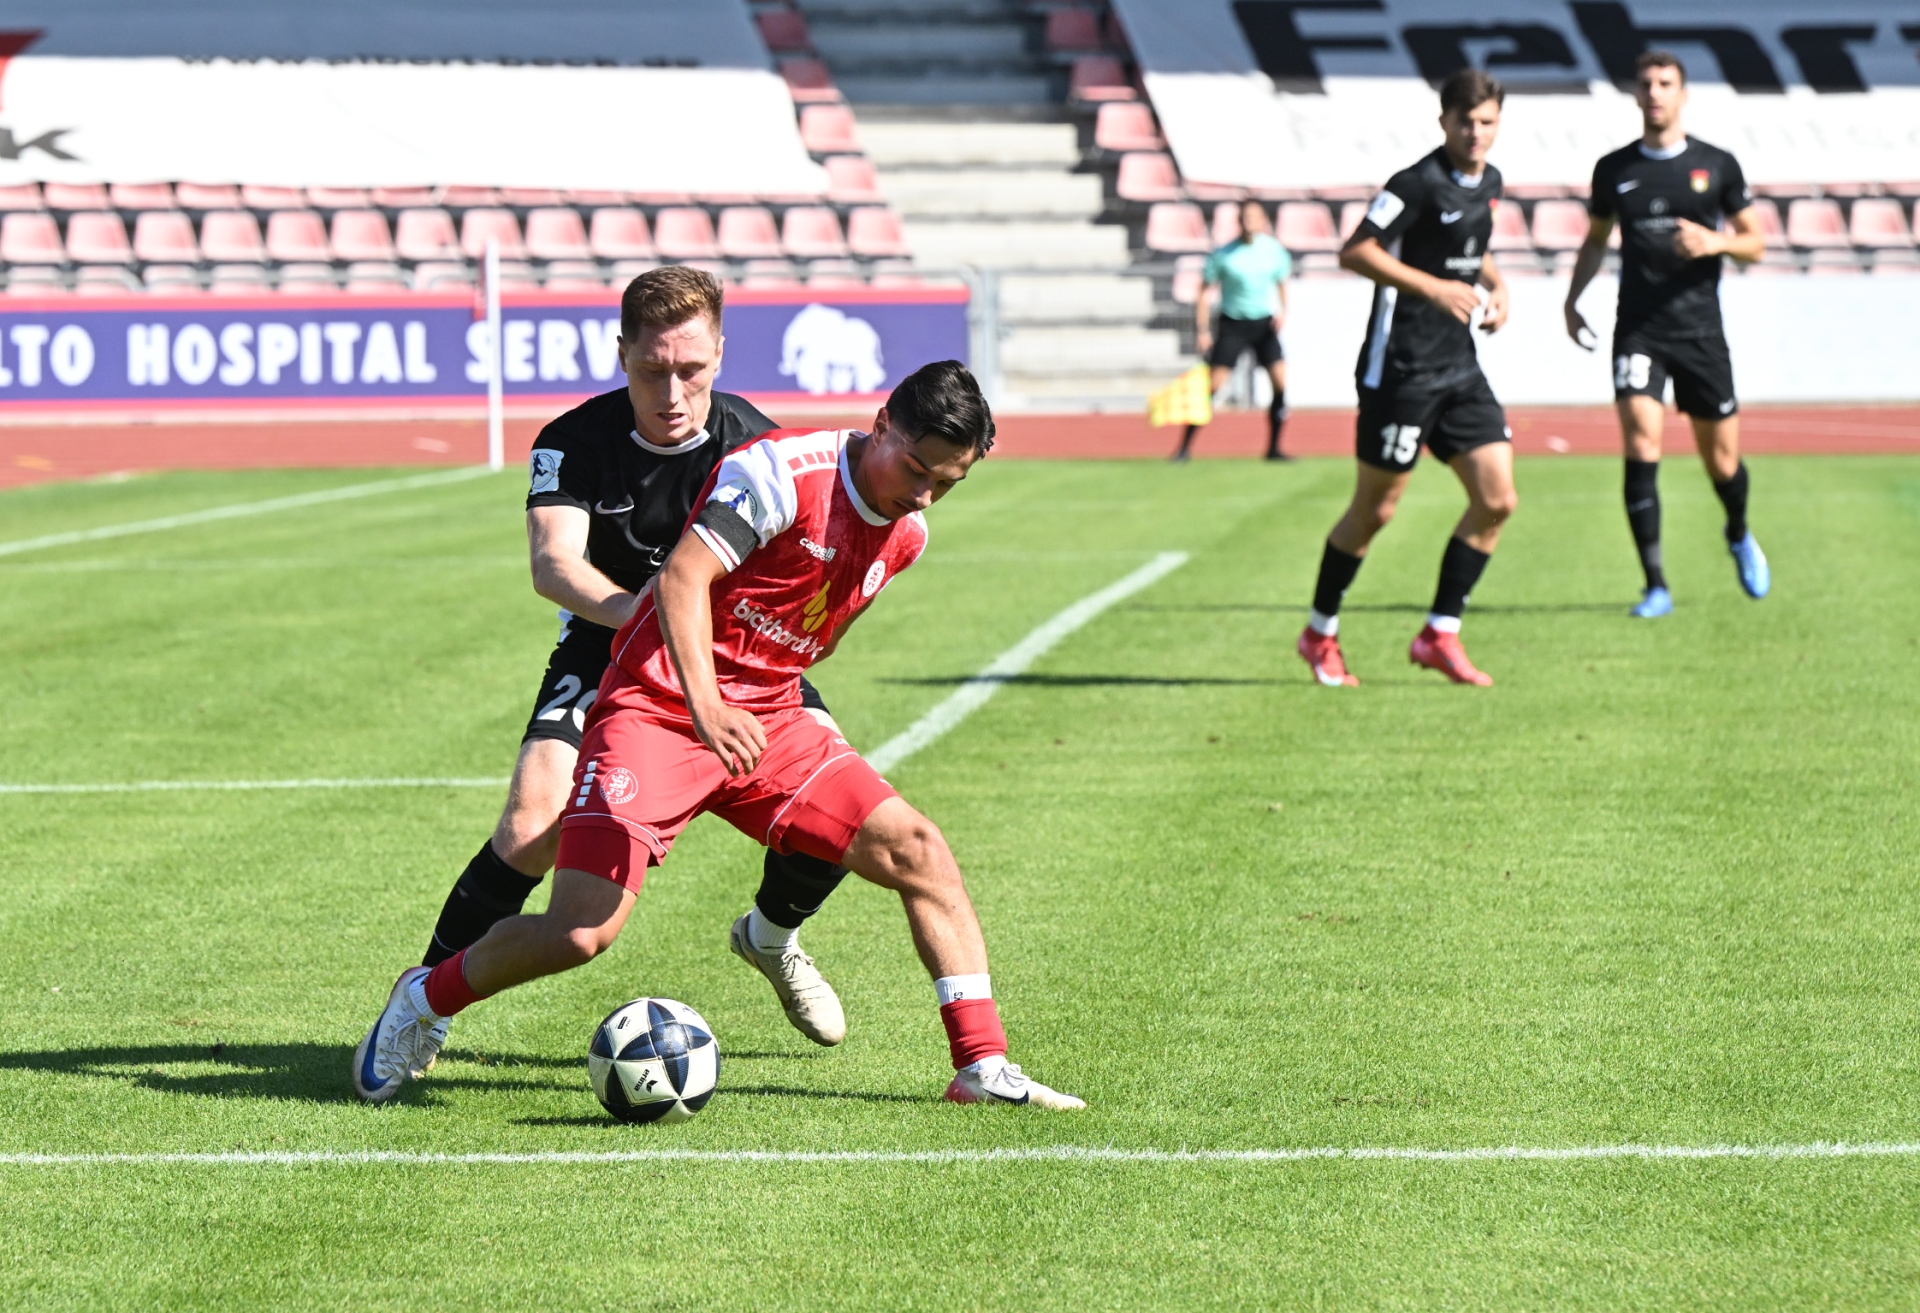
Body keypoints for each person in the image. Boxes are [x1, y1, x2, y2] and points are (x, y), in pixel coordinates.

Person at [354, 361, 1086, 1111]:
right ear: (882, 426)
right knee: (579, 931)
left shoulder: (907, 535)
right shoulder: (783, 473)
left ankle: (981, 1065)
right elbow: (680, 578)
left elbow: (819, 630)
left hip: (769, 718)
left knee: (918, 849)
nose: (925, 493)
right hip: (657, 706)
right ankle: (423, 997)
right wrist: (706, 706)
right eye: (916, 468)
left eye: (947, 482)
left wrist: (775, 702)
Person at [418, 267, 851, 1054]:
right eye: (653, 369)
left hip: (734, 652)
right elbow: (555, 564)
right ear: (621, 354)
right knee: (530, 824)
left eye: (692, 369)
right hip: (608, 641)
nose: (673, 392)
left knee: (838, 814)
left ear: (721, 354)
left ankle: (771, 935)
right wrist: (643, 614)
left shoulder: (760, 445)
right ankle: (420, 1005)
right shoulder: (573, 441)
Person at [1296, 68, 1518, 689]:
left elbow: (1470, 245)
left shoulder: (1491, 182)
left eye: (1487, 122)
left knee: (1497, 500)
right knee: (1376, 510)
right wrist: (1435, 288)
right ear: (1443, 121)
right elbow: (1355, 250)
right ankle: (1318, 633)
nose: (1475, 133)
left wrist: (1497, 286)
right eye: (1465, 121)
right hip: (1401, 371)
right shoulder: (1414, 184)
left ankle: (1439, 634)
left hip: (1460, 368)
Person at [1563, 50, 1769, 618]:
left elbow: (1755, 244)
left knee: (1722, 463)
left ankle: (1737, 529)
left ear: (1683, 94)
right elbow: (1596, 239)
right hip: (1639, 330)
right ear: (1636, 94)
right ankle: (1655, 585)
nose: (1655, 92)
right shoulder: (1614, 169)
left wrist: (1716, 242)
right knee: (1640, 444)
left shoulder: (1717, 165)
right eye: (1647, 83)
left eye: (1665, 83)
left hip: (1701, 332)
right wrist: (1573, 300)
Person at [1175, 199, 1293, 462]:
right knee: (1214, 386)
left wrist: (1283, 310)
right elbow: (1204, 291)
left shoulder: (1273, 250)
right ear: (1239, 221)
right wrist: (1202, 330)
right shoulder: (1224, 254)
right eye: (1245, 216)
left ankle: (1274, 448)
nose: (1249, 221)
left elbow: (1282, 282)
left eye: (1254, 216)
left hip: (1263, 323)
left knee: (1280, 382)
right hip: (1233, 324)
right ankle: (1184, 447)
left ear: (1263, 221)